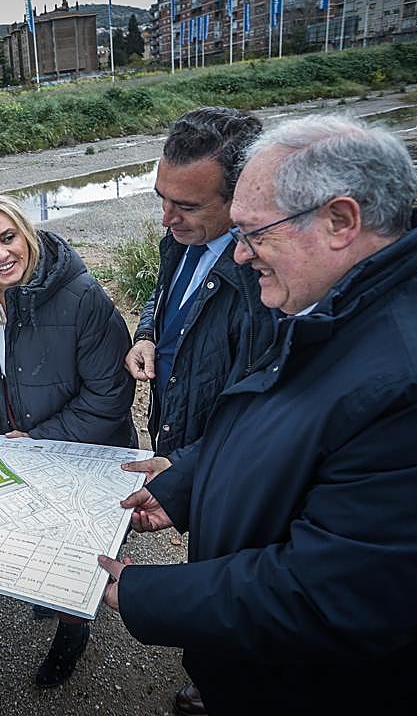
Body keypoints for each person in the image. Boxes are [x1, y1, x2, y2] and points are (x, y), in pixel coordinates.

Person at [99, 115, 417, 715]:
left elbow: (331, 595)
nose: (239, 253)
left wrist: (145, 592)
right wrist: (186, 482)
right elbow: (285, 426)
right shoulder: (342, 304)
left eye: (255, 234)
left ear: (340, 221)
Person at [0, 194, 136, 688]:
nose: (0, 255)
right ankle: (53, 598)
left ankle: (71, 634)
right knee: (40, 537)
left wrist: (36, 438)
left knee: (75, 551)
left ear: (27, 234)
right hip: (26, 445)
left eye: (8, 238)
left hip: (83, 452)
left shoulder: (83, 296)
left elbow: (111, 397)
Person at [121, 107, 274, 716]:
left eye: (185, 206)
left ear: (240, 200)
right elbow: (164, 293)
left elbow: (258, 419)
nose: (166, 218)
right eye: (161, 198)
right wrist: (147, 331)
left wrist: (183, 470)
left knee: (233, 575)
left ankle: (224, 688)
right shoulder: (178, 237)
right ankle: (211, 678)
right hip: (184, 448)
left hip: (222, 467)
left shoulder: (263, 279)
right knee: (205, 559)